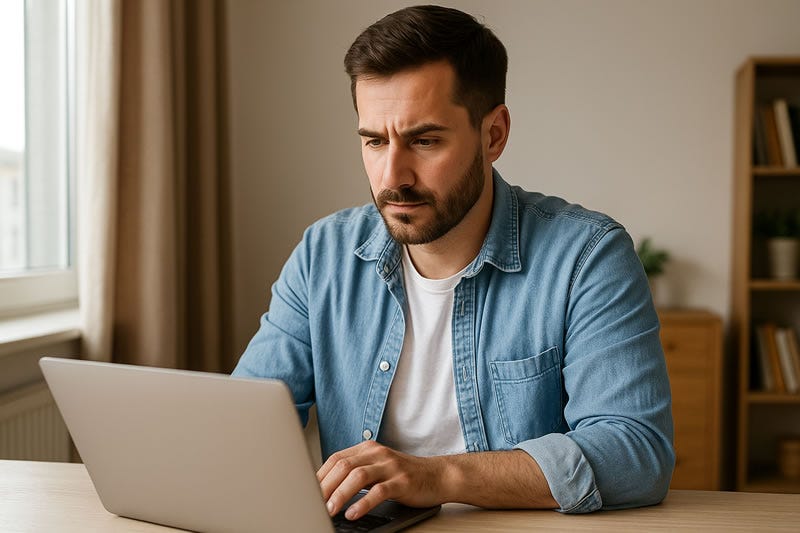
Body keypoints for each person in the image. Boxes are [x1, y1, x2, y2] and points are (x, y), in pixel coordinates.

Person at [233, 4, 674, 521]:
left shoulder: (586, 257)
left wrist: (437, 476)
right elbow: (245, 425)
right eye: (374, 141)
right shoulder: (323, 256)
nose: (393, 175)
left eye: (424, 140)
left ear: (494, 135)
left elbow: (636, 452)